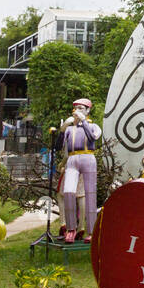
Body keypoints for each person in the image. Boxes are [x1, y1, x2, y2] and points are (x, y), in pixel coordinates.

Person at [56, 98, 101, 243]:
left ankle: (91, 231)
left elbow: (92, 138)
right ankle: (71, 229)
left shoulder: (94, 126)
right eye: (76, 109)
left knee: (90, 194)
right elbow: (58, 147)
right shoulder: (70, 128)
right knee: (68, 191)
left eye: (81, 108)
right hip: (72, 160)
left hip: (88, 158)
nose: (77, 111)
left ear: (88, 111)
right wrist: (62, 130)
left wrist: (84, 122)